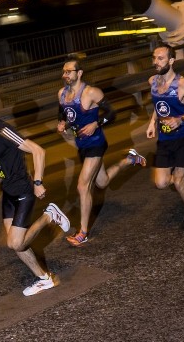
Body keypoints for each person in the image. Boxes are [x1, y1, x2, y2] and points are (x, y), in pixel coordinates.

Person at [0, 91, 71, 296]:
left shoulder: (3, 130)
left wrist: (37, 182)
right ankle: (44, 279)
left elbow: (38, 151)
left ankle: (50, 215)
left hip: (22, 190)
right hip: (8, 192)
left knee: (15, 242)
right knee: (15, 244)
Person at [56, 55, 146, 247]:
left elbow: (112, 113)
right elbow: (62, 112)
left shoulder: (91, 92)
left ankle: (83, 232)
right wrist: (62, 123)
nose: (65, 75)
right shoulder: (62, 94)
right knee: (102, 182)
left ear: (79, 73)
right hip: (81, 145)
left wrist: (96, 124)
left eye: (69, 71)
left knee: (82, 186)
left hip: (96, 142)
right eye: (64, 71)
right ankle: (129, 160)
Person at [146, 43, 184, 231]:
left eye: (160, 58)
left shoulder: (183, 84)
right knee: (161, 183)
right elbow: (158, 106)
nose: (156, 62)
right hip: (164, 139)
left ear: (171, 61)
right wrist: (151, 123)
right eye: (154, 58)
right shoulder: (152, 81)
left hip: (183, 137)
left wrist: (181, 120)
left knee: (179, 181)